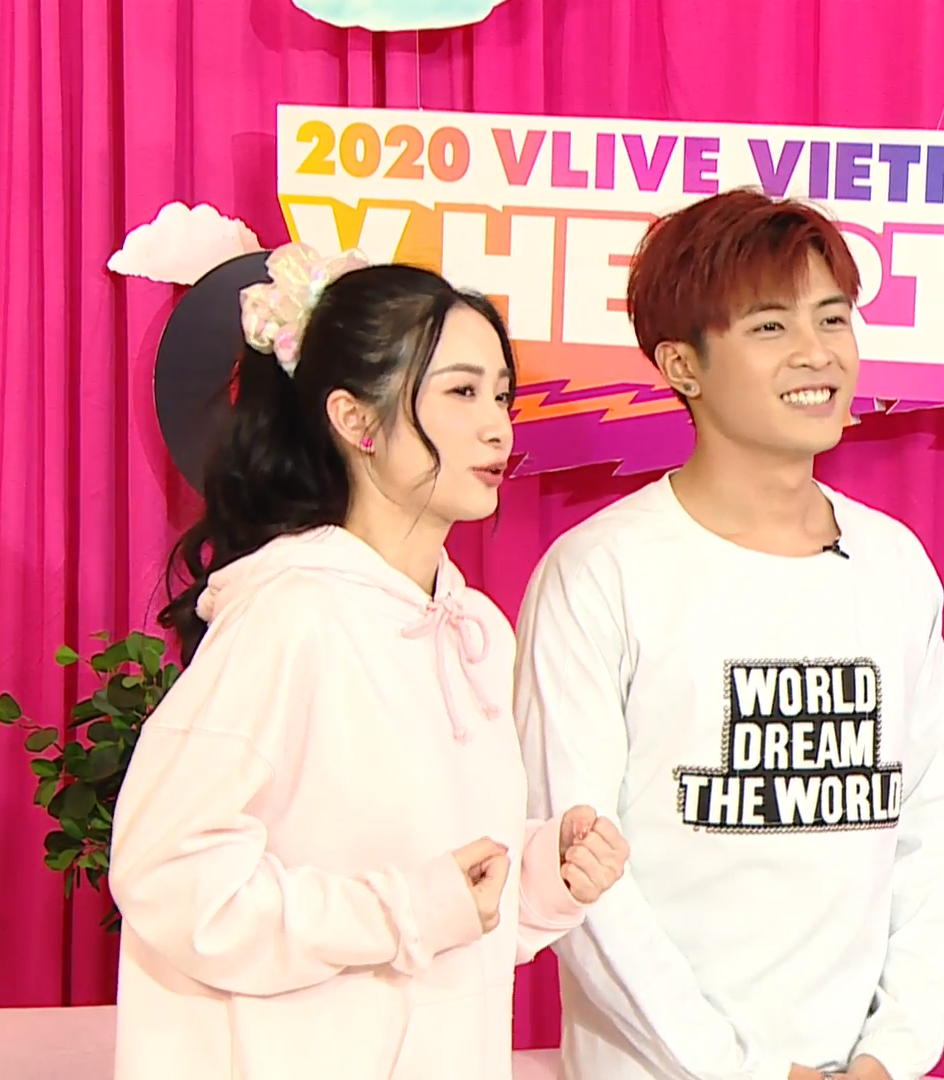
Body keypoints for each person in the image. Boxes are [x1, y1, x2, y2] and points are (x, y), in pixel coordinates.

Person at [106, 247, 630, 1080]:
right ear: (356, 420)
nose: (497, 426)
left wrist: (540, 878)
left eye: (501, 395)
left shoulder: (475, 631)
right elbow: (168, 876)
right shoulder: (291, 615)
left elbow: (446, 918)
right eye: (460, 393)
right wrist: (407, 909)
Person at [512, 189, 944, 1080]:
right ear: (681, 364)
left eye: (832, 318)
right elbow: (578, 868)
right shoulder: (600, 572)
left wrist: (892, 1052)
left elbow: (934, 822)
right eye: (770, 327)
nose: (817, 353)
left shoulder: (894, 564)